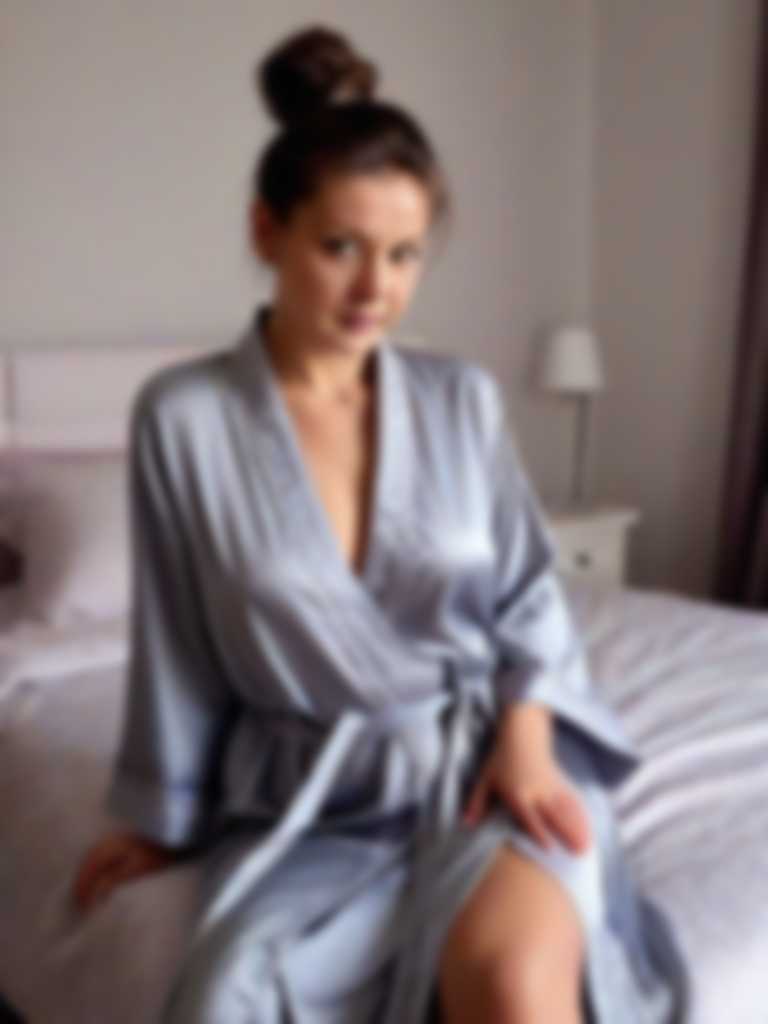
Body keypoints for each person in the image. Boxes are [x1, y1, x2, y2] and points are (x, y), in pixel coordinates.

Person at [71, 24, 688, 1023]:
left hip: (485, 764)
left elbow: (529, 592)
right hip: (316, 798)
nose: (377, 289)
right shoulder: (184, 419)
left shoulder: (460, 398)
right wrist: (166, 817)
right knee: (227, 998)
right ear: (266, 230)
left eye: (405, 255)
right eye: (341, 247)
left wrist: (527, 741)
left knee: (514, 988)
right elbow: (179, 644)